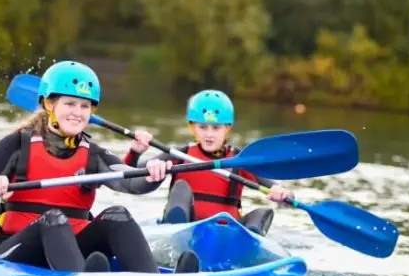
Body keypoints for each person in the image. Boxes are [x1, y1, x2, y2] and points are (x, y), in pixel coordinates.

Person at [0, 60, 201, 274]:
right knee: (53, 219)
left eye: (85, 106)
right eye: (70, 104)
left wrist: (153, 175)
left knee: (118, 214)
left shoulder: (92, 154)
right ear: (49, 104)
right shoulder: (16, 144)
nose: (78, 113)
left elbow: (129, 182)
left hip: (72, 249)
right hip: (14, 249)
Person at [123, 89, 294, 236]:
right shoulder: (179, 155)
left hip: (225, 236)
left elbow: (279, 191)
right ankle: (178, 244)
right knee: (181, 187)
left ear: (227, 128)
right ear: (192, 127)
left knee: (263, 213)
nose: (209, 134)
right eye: (202, 127)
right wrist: (135, 152)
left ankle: (246, 249)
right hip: (184, 231)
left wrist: (283, 195)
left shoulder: (240, 161)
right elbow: (128, 175)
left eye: (216, 128)